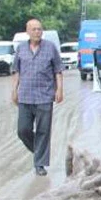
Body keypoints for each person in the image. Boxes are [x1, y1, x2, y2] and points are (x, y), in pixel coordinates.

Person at [11, 18, 64, 176]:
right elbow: (16, 71)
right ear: (27, 31)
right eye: (34, 29)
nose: (37, 32)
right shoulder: (21, 49)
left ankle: (40, 163)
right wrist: (14, 90)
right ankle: (39, 151)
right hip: (25, 96)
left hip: (44, 96)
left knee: (43, 131)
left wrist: (59, 90)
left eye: (39, 29)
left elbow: (58, 71)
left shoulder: (50, 48)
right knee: (23, 130)